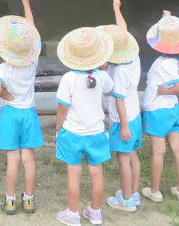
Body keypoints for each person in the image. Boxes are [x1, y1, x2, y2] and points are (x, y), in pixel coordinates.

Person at [0, 0, 44, 215]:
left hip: (10, 114)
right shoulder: (32, 62)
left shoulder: (3, 68)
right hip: (28, 113)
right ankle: (29, 199)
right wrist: (26, 3)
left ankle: (10, 200)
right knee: (28, 159)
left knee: (13, 159)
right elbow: (33, 32)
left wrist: (2, 92)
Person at [54, 27, 114, 226]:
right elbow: (109, 92)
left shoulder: (69, 78)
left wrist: (58, 127)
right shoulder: (102, 76)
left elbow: (62, 107)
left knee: (74, 173)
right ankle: (95, 212)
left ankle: (73, 214)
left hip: (72, 132)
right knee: (97, 173)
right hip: (96, 132)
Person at [141, 11, 179, 204]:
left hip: (158, 111)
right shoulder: (176, 61)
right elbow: (172, 34)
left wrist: (162, 91)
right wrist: (167, 17)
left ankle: (155, 191)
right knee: (177, 148)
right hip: (172, 110)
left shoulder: (163, 63)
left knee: (159, 152)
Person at [99, 0, 141, 213]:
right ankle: (133, 193)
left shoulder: (118, 71)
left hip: (123, 118)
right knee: (133, 155)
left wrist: (122, 125)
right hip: (136, 115)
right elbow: (122, 32)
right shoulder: (133, 58)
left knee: (123, 159)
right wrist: (116, 8)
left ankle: (125, 200)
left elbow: (119, 99)